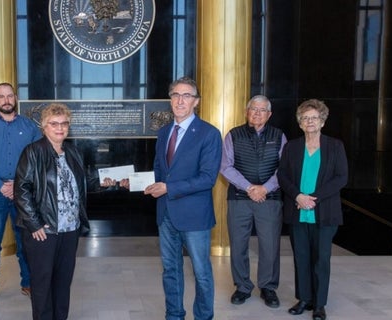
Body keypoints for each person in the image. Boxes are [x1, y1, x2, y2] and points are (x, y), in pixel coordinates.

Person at [145, 77, 222, 320]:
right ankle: (174, 315)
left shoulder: (209, 133)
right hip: (165, 213)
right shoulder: (164, 132)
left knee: (201, 273)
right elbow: (159, 170)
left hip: (195, 216)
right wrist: (138, 183)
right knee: (170, 270)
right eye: (175, 95)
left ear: (196, 101)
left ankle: (203, 316)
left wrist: (168, 187)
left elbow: (208, 178)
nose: (180, 100)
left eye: (186, 95)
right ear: (170, 100)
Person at [14, 103, 90, 320]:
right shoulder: (33, 151)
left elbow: (82, 182)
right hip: (44, 231)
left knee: (63, 283)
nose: (60, 128)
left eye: (64, 123)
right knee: (42, 285)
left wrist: (111, 181)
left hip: (69, 229)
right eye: (54, 124)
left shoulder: (73, 152)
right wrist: (34, 223)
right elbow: (22, 189)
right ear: (44, 126)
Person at [277, 99, 348, 320]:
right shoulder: (292, 147)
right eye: (305, 118)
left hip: (324, 212)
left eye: (314, 118)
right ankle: (304, 299)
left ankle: (319, 304)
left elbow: (341, 178)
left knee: (321, 260)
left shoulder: (335, 146)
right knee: (301, 257)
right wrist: (298, 196)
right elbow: (282, 176)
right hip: (297, 210)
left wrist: (312, 199)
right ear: (300, 123)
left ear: (322, 121)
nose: (310, 121)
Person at [0, 82, 42, 305]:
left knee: (25, 242)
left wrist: (17, 184)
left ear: (16, 98)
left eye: (9, 96)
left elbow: (36, 160)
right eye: (1, 96)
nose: (6, 100)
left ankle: (28, 282)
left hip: (23, 193)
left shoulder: (30, 127)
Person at [219, 95, 287, 308]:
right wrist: (249, 188)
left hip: (270, 199)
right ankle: (242, 287)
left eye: (262, 110)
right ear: (246, 112)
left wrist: (264, 188)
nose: (257, 113)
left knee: (270, 245)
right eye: (253, 109)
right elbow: (225, 166)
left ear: (269, 114)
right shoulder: (233, 135)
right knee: (238, 245)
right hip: (239, 199)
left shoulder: (279, 136)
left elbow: (284, 168)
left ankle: (268, 287)